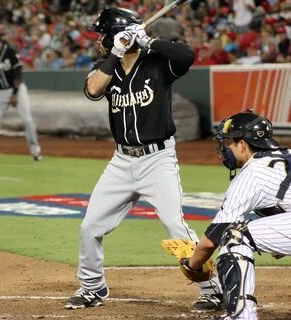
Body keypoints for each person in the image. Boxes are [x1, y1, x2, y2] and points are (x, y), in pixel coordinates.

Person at [64, 7, 222, 311]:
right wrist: (116, 53)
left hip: (157, 160)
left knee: (175, 226)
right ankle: (92, 287)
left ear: (116, 34)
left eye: (102, 35)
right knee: (90, 228)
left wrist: (148, 42)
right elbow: (93, 90)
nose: (99, 41)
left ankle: (211, 290)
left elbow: (187, 57)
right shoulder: (106, 67)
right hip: (121, 162)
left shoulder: (158, 64)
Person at [185, 110, 291, 320]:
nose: (226, 149)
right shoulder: (286, 155)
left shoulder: (252, 173)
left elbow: (210, 242)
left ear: (242, 144)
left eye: (230, 143)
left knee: (235, 236)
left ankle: (241, 315)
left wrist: (191, 265)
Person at [0, 26, 41, 164]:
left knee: (27, 120)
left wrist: (15, 93)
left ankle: (36, 151)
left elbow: (18, 72)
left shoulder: (10, 52)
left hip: (17, 90)